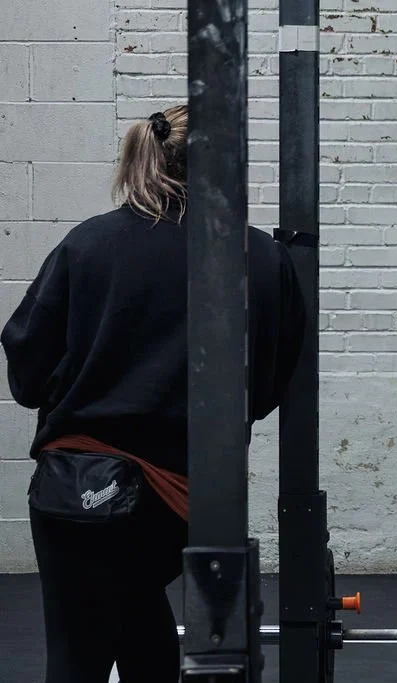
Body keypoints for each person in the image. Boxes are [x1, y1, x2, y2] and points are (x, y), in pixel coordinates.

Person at [1, 105, 306, 683]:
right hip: (187, 502)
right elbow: (270, 385)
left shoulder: (88, 244)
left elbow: (27, 374)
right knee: (140, 622)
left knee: (78, 654)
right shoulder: (262, 257)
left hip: (80, 494)